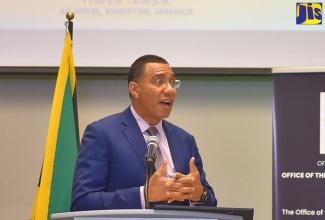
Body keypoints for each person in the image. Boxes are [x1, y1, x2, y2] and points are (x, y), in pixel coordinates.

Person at [71, 54, 217, 211]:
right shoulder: (102, 134)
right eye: (159, 82)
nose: (170, 90)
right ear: (134, 89)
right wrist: (144, 195)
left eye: (172, 82)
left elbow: (211, 203)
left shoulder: (185, 140)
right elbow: (82, 202)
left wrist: (199, 194)